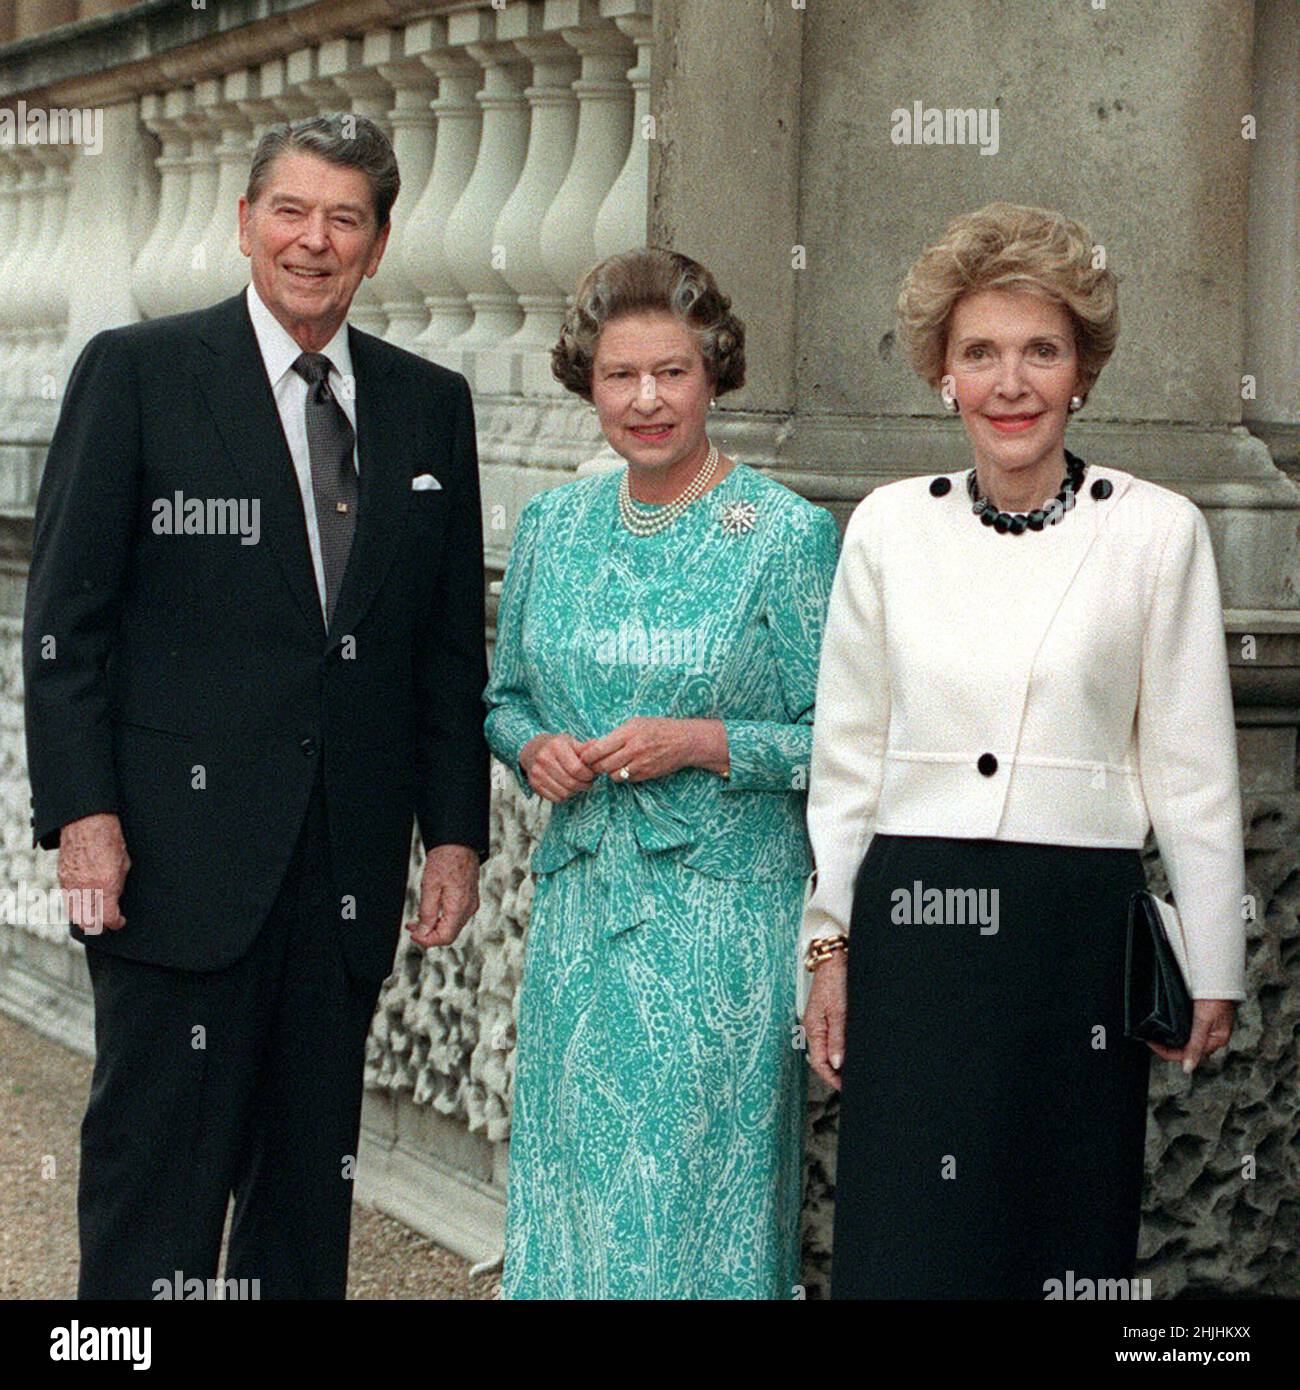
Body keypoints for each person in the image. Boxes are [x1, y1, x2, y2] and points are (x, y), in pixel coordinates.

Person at [22, 114, 490, 1299]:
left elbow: (440, 646)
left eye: (345, 219)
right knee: (154, 1187)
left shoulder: (429, 404)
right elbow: (66, 622)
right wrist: (85, 818)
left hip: (341, 870)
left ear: (378, 247)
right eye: (290, 210)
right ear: (242, 222)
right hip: (175, 864)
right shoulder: (138, 373)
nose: (313, 241)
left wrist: (454, 832)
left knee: (302, 1202)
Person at [800, 202, 1247, 1299]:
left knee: (1060, 1239)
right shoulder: (888, 527)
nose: (1011, 382)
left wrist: (1214, 963)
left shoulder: (1155, 529)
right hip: (916, 930)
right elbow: (846, 756)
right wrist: (826, 943)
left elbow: (1191, 766)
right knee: (910, 1240)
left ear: (1081, 370)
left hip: (1074, 933)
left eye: (1040, 351)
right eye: (980, 353)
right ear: (941, 374)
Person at [483, 248, 840, 1298]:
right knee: (572, 1178)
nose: (646, 400)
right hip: (582, 908)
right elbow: (503, 698)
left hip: (720, 926)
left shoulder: (782, 533)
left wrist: (704, 742)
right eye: (619, 376)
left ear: (715, 373)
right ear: (586, 384)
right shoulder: (553, 525)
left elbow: (847, 741)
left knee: (689, 1197)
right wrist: (529, 748)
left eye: (671, 372)